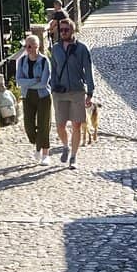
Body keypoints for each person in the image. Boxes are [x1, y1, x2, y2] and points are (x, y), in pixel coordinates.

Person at [50, 19, 94, 170]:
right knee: (60, 125)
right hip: (60, 92)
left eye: (66, 30)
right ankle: (65, 146)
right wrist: (53, 86)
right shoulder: (55, 49)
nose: (63, 32)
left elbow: (88, 70)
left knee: (76, 125)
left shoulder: (82, 49)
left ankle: (74, 157)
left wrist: (90, 92)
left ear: (72, 31)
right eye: (61, 30)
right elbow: (54, 69)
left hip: (77, 91)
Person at [14, 34, 53, 165]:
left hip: (43, 96)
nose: (27, 48)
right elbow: (19, 81)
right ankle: (37, 145)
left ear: (37, 46)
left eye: (29, 46)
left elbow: (43, 83)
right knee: (28, 126)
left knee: (44, 124)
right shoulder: (22, 61)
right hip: (27, 95)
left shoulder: (44, 61)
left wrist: (28, 82)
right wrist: (32, 81)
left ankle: (45, 153)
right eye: (26, 46)